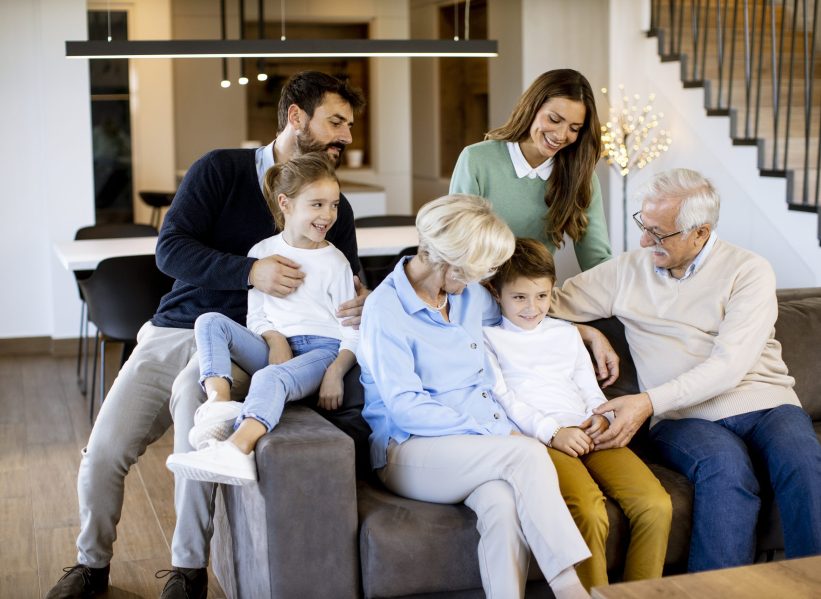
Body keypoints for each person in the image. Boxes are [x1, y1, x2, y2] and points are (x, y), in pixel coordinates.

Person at [46, 71, 368, 599]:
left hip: (251, 345)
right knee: (104, 450)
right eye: (336, 122)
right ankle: (90, 563)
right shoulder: (221, 169)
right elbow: (169, 249)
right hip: (174, 327)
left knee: (195, 411)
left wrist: (362, 301)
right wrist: (248, 271)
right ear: (295, 118)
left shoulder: (335, 206)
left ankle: (187, 570)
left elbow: (346, 283)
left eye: (349, 126)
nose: (347, 137)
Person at [548, 168, 821, 573]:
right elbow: (538, 305)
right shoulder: (625, 271)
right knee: (725, 469)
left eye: (659, 233)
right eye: (644, 225)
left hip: (763, 401)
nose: (644, 241)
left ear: (700, 232)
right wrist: (584, 330)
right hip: (684, 417)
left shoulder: (749, 270)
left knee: (803, 459)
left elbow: (729, 366)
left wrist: (646, 401)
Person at [358, 194, 593, 599]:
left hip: (471, 451)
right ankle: (570, 588)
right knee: (527, 453)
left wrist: (589, 333)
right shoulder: (385, 311)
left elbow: (524, 317)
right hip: (410, 450)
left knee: (502, 506)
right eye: (475, 269)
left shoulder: (466, 295)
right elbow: (406, 408)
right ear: (446, 260)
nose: (481, 280)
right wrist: (494, 432)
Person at [483, 238, 672, 590]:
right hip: (542, 440)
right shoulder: (488, 339)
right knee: (588, 510)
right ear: (496, 293)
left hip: (590, 427)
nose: (532, 307)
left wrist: (601, 416)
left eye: (542, 296)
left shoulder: (566, 333)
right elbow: (505, 400)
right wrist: (554, 432)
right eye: (519, 297)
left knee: (655, 504)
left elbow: (588, 387)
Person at [166, 152, 358, 485]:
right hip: (273, 347)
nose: (328, 215)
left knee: (269, 379)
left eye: (334, 205)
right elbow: (256, 315)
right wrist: (275, 338)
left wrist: (335, 371)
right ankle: (218, 405)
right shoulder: (262, 252)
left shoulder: (336, 262)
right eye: (317, 204)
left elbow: (353, 329)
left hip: (321, 352)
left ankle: (237, 450)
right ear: (285, 204)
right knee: (209, 321)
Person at [449, 68, 612, 273]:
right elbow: (457, 244)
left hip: (534, 297)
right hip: (476, 291)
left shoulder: (581, 177)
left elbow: (596, 259)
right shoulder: (477, 160)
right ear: (532, 108)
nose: (561, 135)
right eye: (554, 119)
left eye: (574, 128)